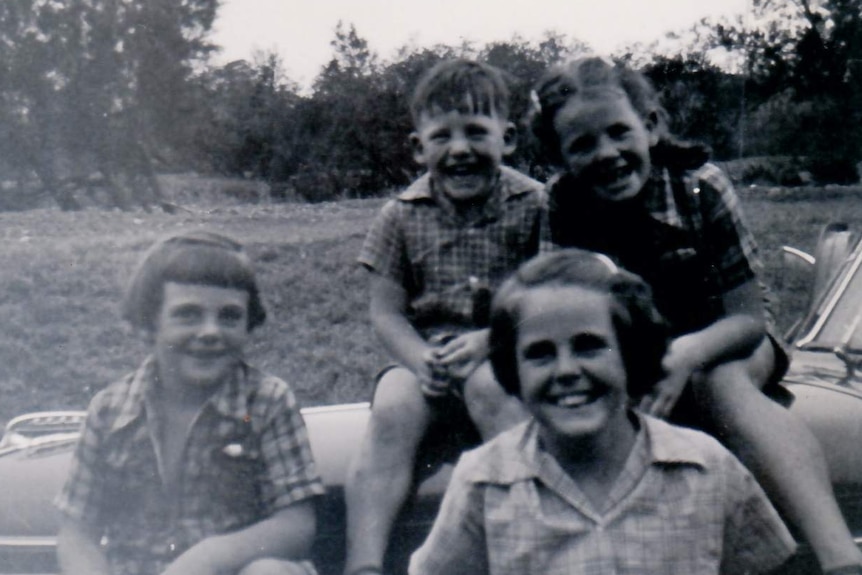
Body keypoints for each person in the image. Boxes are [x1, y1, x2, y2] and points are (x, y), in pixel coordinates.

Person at [528, 55, 862, 574]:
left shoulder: (699, 185)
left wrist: (687, 352)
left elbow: (748, 318)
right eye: (582, 144)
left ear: (652, 125)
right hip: (626, 350)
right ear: (559, 157)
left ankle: (839, 556)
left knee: (720, 382)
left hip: (725, 341)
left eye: (619, 132)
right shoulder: (560, 204)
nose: (608, 153)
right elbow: (554, 317)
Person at [409, 248, 797, 575]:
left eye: (589, 346)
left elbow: (769, 568)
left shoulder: (705, 467)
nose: (566, 371)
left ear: (632, 353)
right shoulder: (484, 482)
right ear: (513, 370)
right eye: (540, 354)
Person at [344, 59, 546, 575]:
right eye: (442, 137)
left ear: (509, 138)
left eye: (477, 133)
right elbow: (385, 313)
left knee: (490, 393)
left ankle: (537, 538)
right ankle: (363, 562)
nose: (460, 149)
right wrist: (419, 357)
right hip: (428, 356)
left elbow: (547, 293)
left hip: (505, 352)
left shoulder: (534, 203)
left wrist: (492, 340)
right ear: (418, 147)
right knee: (391, 409)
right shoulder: (400, 214)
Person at [55, 230, 325, 575]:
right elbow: (78, 532)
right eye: (188, 315)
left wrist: (207, 557)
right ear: (150, 323)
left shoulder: (267, 401)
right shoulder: (109, 410)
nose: (210, 332)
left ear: (249, 324)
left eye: (229, 316)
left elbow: (296, 526)